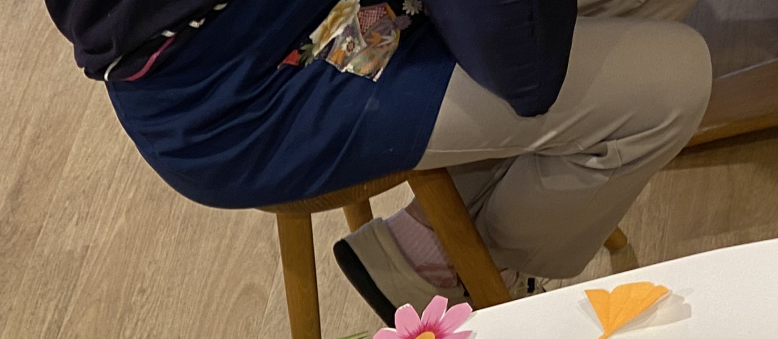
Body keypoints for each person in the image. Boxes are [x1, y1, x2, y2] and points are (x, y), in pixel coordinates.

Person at [45, 0, 712, 317]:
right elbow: (527, 74)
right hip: (240, 94)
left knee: (638, 22)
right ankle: (473, 268)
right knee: (668, 86)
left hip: (287, 29)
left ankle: (435, 253)